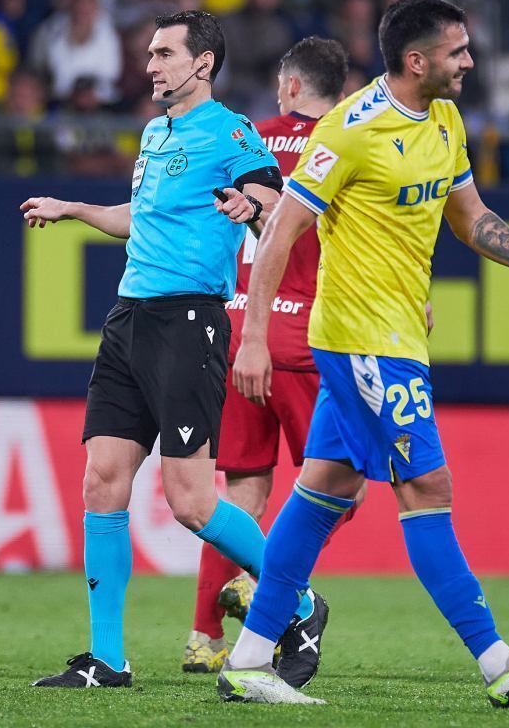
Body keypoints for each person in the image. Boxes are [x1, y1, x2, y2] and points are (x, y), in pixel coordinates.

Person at [216, 0, 509, 707]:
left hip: (396, 337)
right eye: (458, 51)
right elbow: (280, 232)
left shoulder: (446, 120)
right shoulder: (350, 130)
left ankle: (247, 661)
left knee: (324, 491)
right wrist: (255, 338)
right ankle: (498, 663)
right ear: (417, 60)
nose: (470, 62)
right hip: (362, 341)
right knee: (428, 489)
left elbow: (471, 218)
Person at [20, 10, 322, 689]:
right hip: (129, 318)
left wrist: (249, 205)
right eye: (150, 54)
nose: (150, 64)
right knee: (101, 479)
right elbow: (141, 219)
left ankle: (300, 602)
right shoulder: (155, 133)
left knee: (190, 501)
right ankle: (107, 659)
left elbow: (267, 192)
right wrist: (73, 209)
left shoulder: (231, 129)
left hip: (189, 320)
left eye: (163, 53)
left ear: (202, 63)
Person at [182, 36, 356, 684]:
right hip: (303, 334)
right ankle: (265, 585)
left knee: (241, 495)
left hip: (235, 327)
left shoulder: (247, 140)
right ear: (338, 92)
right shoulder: (344, 145)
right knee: (343, 486)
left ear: (289, 86)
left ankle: (203, 635)